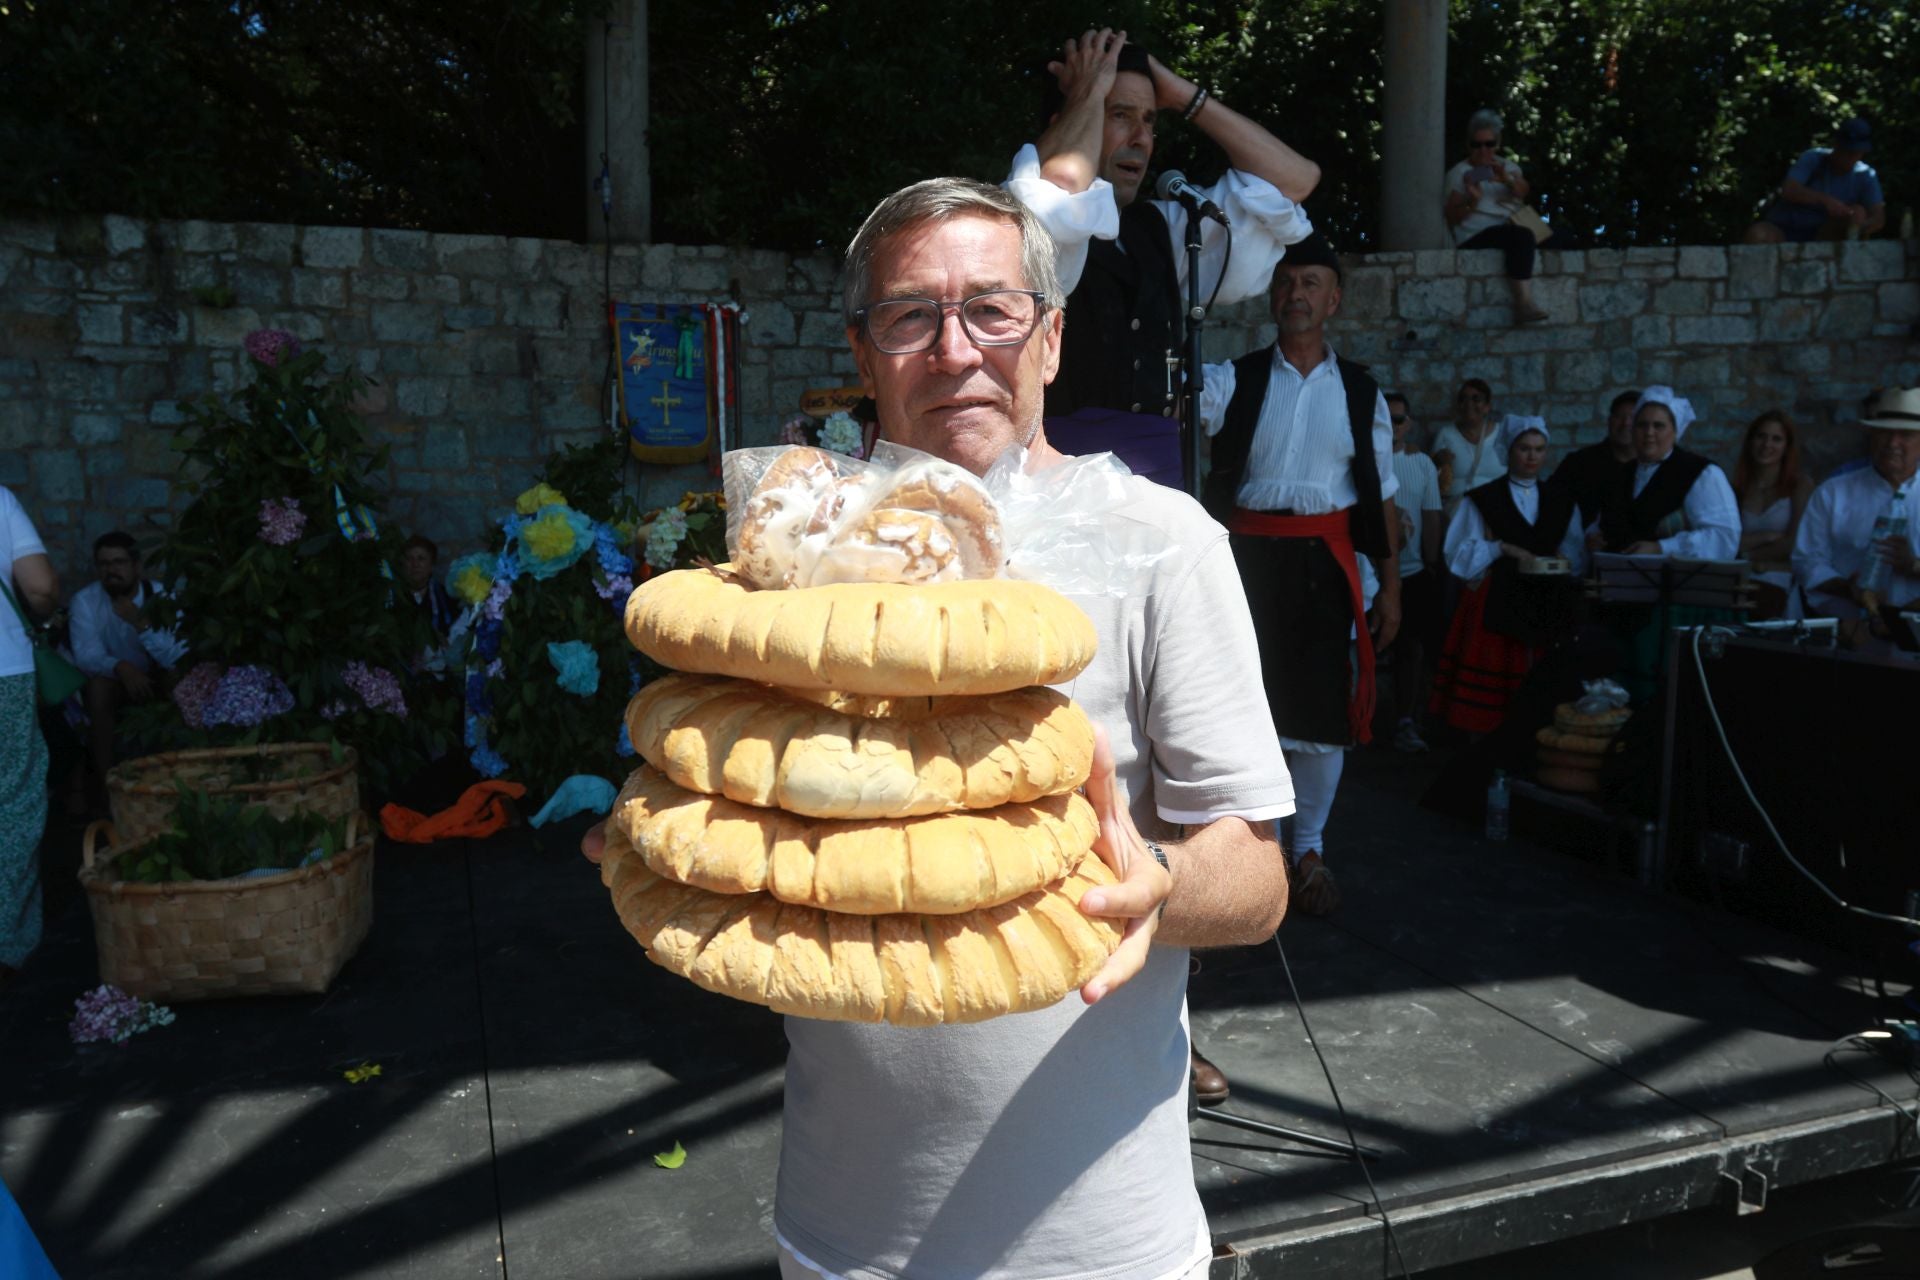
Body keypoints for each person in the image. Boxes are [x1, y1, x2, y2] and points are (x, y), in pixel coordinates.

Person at [589, 178, 1294, 1280]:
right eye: (910, 315)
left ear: (1051, 338)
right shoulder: (792, 569)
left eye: (993, 310)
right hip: (842, 1233)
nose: (955, 349)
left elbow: (1257, 876)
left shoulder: (1164, 544)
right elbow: (733, 792)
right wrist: (671, 841)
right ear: (864, 354)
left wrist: (1153, 881)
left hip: (1100, 1246)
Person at [1006, 27, 1318, 488]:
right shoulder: (1017, 218)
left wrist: (1182, 95)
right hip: (1059, 481)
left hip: (1158, 476)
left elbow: (1295, 180)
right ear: (1069, 120)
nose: (1141, 138)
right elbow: (1057, 193)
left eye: (1150, 120)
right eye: (1119, 114)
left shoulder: (1165, 228)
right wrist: (1088, 94)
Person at [1197, 232, 1401, 919]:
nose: (1297, 295)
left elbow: (1381, 493)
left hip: (1323, 564)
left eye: (1312, 283)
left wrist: (1392, 587)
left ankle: (1308, 849)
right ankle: (1265, 854)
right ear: (1271, 295)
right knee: (1246, 705)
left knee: (1319, 709)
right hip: (1245, 563)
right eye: (1286, 282)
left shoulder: (1362, 392)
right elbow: (1181, 409)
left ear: (1334, 300)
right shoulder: (1234, 378)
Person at [1429, 417, 1586, 735]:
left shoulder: (1560, 500)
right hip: (1499, 599)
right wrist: (1500, 548)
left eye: (1539, 449)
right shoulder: (1483, 498)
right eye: (1524, 448)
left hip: (1548, 601)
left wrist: (1563, 561)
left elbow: (1576, 554)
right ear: (1508, 450)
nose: (1532, 456)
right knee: (1496, 692)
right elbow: (1457, 554)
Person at [1793, 386, 1920, 644]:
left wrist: (1914, 566)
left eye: (1905, 435)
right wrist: (1849, 589)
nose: (1893, 443)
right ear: (1872, 435)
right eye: (1884, 432)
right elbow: (1807, 560)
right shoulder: (1834, 492)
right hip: (1849, 634)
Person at [68, 532, 183, 801]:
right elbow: (86, 656)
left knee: (179, 679)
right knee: (98, 689)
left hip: (158, 678)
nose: (111, 571)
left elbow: (177, 656)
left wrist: (141, 624)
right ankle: (109, 788)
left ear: (136, 566)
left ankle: (177, 780)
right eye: (104, 564)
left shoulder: (163, 596)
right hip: (116, 680)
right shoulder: (86, 600)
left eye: (119, 562)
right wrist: (121, 667)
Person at [1442, 109, 1575, 325]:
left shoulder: (1508, 168)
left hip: (1511, 226)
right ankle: (1524, 303)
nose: (1483, 150)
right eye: (1477, 145)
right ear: (1468, 145)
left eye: (1489, 144)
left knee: (1561, 236)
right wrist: (1472, 202)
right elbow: (1451, 216)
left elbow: (1523, 191)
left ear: (1498, 143)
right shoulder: (1459, 173)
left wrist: (1506, 179)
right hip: (1476, 234)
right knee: (1521, 237)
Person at [1, 486, 58, 983]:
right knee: (13, 801)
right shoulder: (0, 500)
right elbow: (39, 587)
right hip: (5, 671)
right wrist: (44, 615)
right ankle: (6, 945)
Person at [1590, 387, 1741, 559]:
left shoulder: (1702, 474)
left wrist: (1662, 548)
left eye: (1658, 426)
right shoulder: (1621, 474)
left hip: (1673, 575)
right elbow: (1602, 525)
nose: (1649, 433)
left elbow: (1724, 538)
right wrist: (1594, 539)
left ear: (1675, 432)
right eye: (1642, 425)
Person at [1386, 391, 1443, 752]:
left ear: (1408, 424)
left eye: (1399, 419)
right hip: (1371, 573)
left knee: (1412, 650)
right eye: (1386, 418)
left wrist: (1431, 562)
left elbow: (1431, 515)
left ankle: (1406, 721)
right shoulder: (1361, 459)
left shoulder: (1422, 464)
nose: (1392, 425)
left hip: (1413, 571)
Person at [1745, 117, 1885, 245]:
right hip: (1783, 229)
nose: (1849, 157)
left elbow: (1878, 217)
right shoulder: (1813, 158)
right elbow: (1789, 189)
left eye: (1855, 152)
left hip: (1824, 236)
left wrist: (1859, 225)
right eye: (1846, 150)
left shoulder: (1865, 175)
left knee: (1858, 212)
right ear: (1836, 145)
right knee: (1759, 234)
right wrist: (1825, 201)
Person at [1731, 410, 1816, 619]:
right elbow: (1728, 540)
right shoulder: (1737, 488)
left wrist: (1748, 556)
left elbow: (1795, 543)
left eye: (1776, 439)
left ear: (1787, 446)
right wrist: (1767, 537)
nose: (1767, 444)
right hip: (1740, 581)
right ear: (1750, 441)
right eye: (1761, 436)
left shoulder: (1800, 486)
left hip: (1781, 582)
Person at [1549, 390, 1640, 525]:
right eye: (1619, 416)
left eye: (1633, 417)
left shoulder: (1654, 468)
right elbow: (1551, 504)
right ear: (1609, 421)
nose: (1626, 423)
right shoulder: (1579, 464)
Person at [1430, 379, 1509, 515]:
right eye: (1463, 399)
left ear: (1487, 406)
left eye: (1476, 399)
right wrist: (1437, 462)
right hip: (1457, 513)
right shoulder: (1446, 434)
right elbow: (1430, 479)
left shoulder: (1502, 434)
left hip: (1496, 512)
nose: (1469, 404)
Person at [399, 534, 458, 636]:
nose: (415, 564)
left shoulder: (446, 599)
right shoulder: (393, 597)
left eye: (421, 559)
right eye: (409, 559)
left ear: (431, 565)